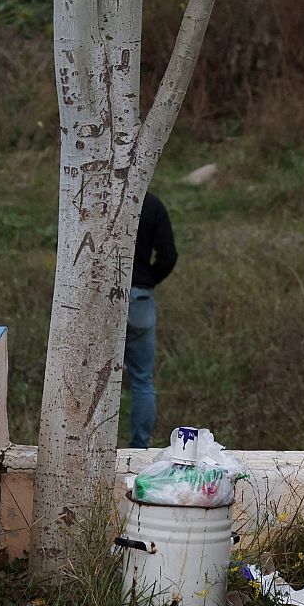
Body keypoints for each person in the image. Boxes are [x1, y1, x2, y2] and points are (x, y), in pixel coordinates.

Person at [126, 191, 178, 449]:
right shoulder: (151, 203)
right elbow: (168, 256)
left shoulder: (96, 195)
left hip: (97, 297)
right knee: (141, 380)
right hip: (139, 298)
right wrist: (146, 280)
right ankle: (139, 448)